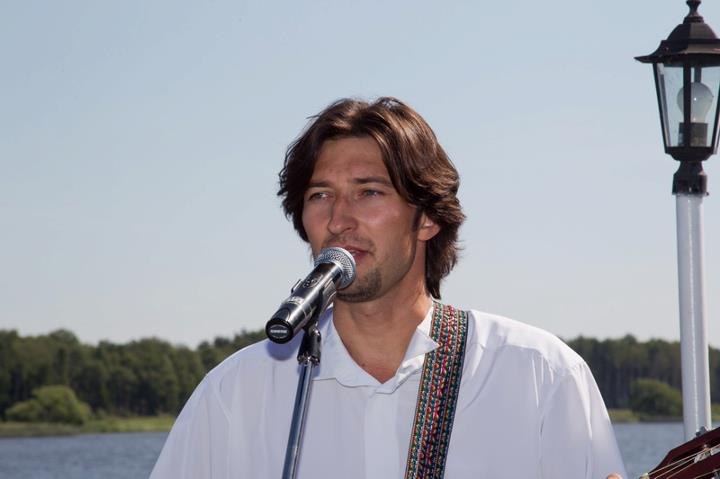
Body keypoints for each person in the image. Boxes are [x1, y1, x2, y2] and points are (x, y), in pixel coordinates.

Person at [150, 97, 627, 478]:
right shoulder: (234, 393)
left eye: (369, 192)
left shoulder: (539, 374)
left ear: (428, 218)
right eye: (320, 195)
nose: (339, 219)